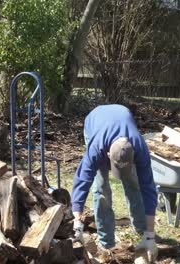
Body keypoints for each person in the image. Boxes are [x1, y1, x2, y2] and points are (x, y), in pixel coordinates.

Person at [71, 104, 158, 262]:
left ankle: (142, 230)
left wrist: (150, 236)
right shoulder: (96, 149)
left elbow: (148, 188)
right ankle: (107, 242)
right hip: (95, 123)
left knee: (134, 183)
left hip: (120, 118)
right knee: (101, 187)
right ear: (108, 154)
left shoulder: (138, 147)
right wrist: (77, 223)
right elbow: (82, 181)